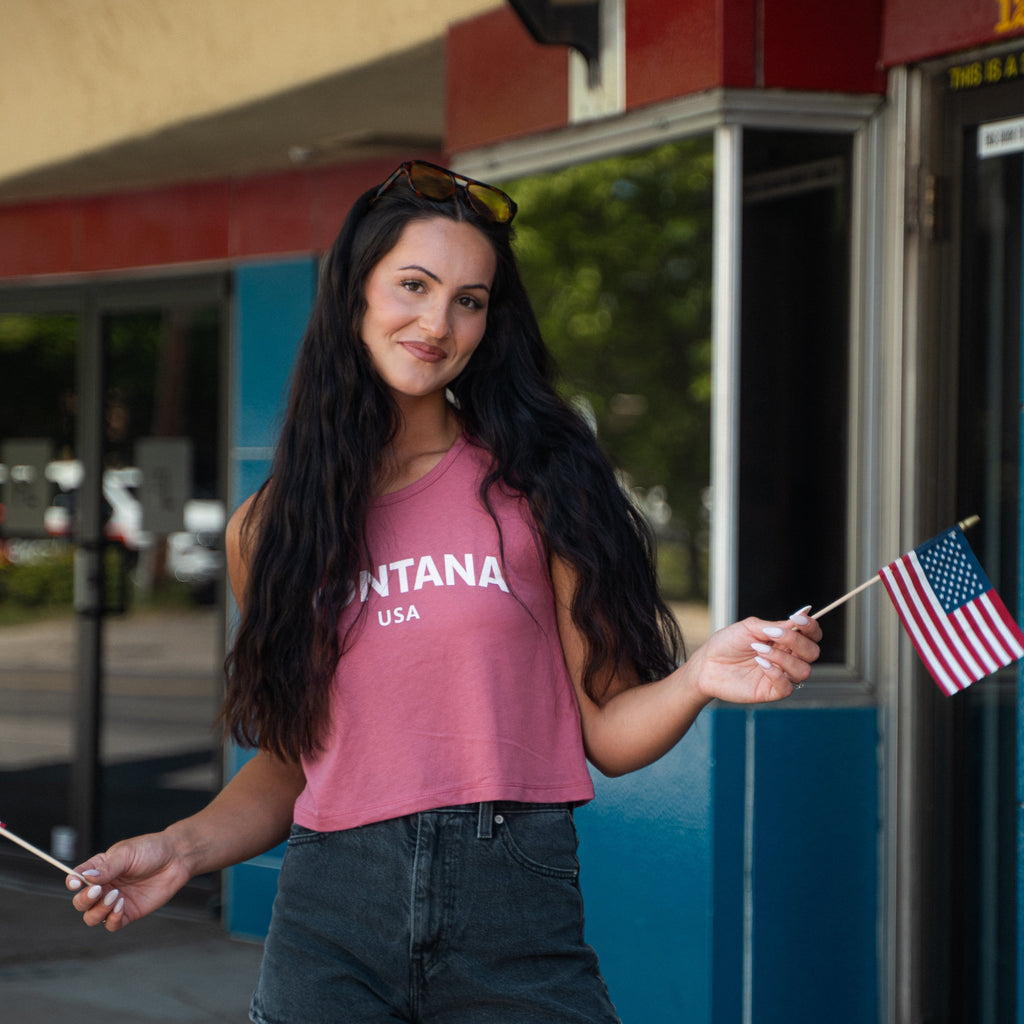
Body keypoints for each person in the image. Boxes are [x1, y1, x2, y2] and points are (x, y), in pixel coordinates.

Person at [67, 160, 821, 1023]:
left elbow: (607, 732)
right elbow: (295, 760)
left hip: (513, 910)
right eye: (414, 286)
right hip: (329, 920)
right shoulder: (271, 526)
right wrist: (179, 847)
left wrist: (697, 678)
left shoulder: (542, 483)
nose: (438, 322)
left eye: (470, 299)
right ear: (354, 293)